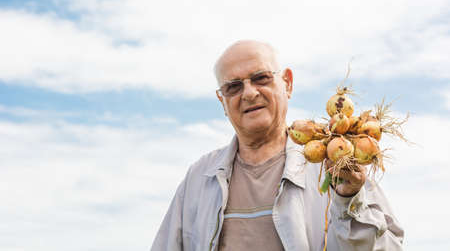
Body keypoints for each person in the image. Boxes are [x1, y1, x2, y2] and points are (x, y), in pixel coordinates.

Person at [151, 40, 404, 251]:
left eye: (261, 78)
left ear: (288, 83)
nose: (249, 93)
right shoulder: (199, 177)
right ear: (222, 100)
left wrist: (349, 201)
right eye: (234, 86)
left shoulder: (335, 165)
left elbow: (389, 246)